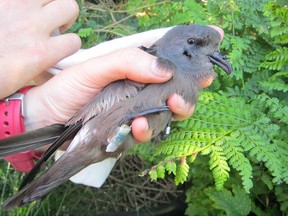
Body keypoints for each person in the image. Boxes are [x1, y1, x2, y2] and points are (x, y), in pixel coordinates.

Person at [0, 0, 218, 182]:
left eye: (213, 50)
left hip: (90, 131)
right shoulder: (154, 61)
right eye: (192, 43)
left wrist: (33, 114)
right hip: (92, 126)